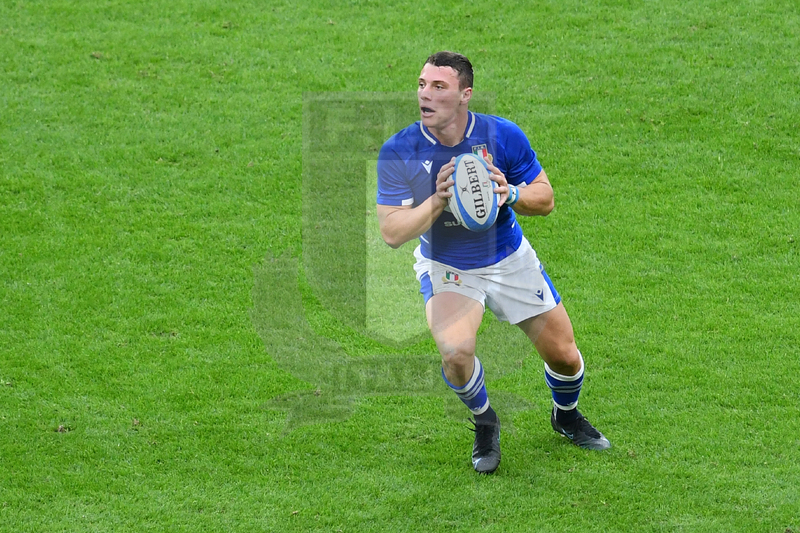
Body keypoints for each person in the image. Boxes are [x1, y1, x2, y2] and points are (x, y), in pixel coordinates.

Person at [376, 51, 610, 474]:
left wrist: (511, 194)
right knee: (456, 351)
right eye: (421, 84)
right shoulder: (401, 149)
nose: (424, 95)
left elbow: (546, 198)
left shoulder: (502, 136)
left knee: (565, 357)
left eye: (438, 87)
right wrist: (438, 199)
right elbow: (392, 232)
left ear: (465, 95)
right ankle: (485, 421)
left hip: (508, 259)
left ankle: (566, 416)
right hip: (448, 265)